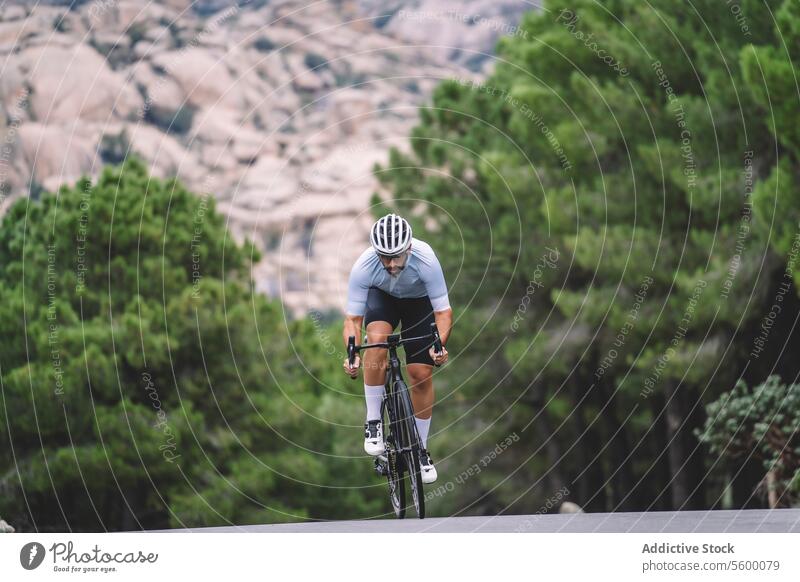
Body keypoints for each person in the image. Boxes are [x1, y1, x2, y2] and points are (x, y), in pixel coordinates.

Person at [342, 213, 452, 484]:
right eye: (384, 257)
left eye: (397, 257)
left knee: (420, 374)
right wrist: (352, 355)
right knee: (376, 339)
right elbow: (353, 321)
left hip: (419, 305)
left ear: (409, 249)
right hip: (383, 301)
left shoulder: (426, 259)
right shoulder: (364, 266)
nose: (391, 264)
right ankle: (373, 423)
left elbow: (443, 313)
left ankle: (421, 450)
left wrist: (438, 346)